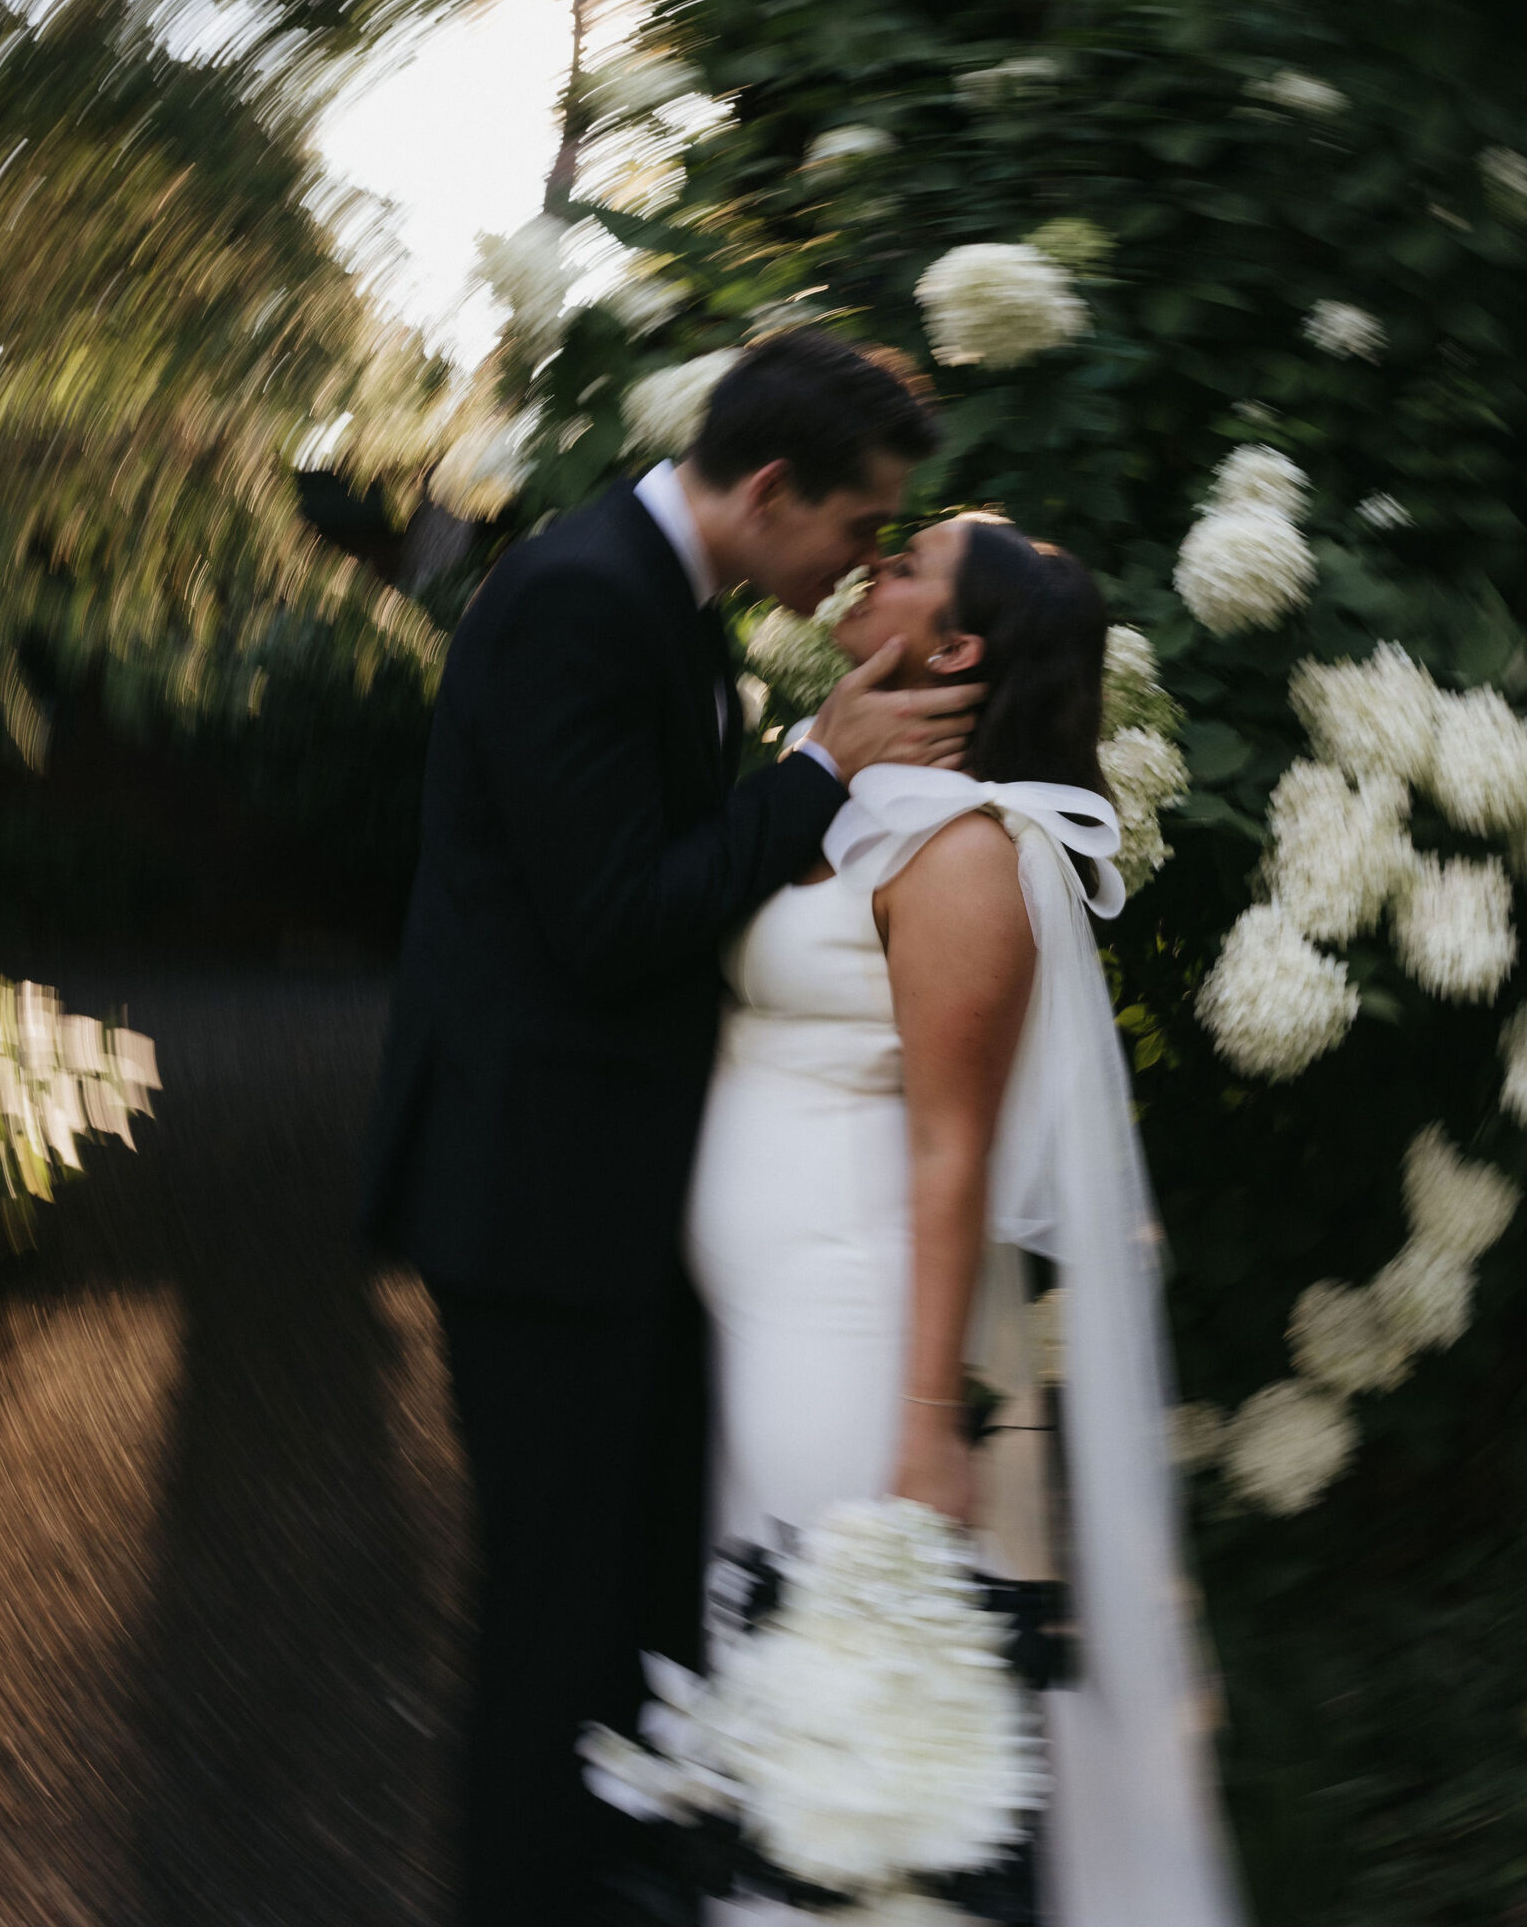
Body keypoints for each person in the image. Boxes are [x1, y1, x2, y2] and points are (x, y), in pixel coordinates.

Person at [359, 331, 981, 1927]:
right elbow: (615, 917)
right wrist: (821, 766)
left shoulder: (660, 598)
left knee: (616, 1599)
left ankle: (611, 1881)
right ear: (773, 489)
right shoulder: (581, 596)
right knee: (551, 1621)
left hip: (600, 1205)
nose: (862, 564)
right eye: (860, 527)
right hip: (531, 1200)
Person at [686, 514, 1246, 1927]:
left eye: (908, 564)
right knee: (796, 1704)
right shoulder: (849, 800)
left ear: (956, 645)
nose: (871, 566)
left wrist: (930, 1419)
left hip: (860, 1332)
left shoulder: (966, 854)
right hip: (771, 1326)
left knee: (852, 1715)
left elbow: (954, 1152)